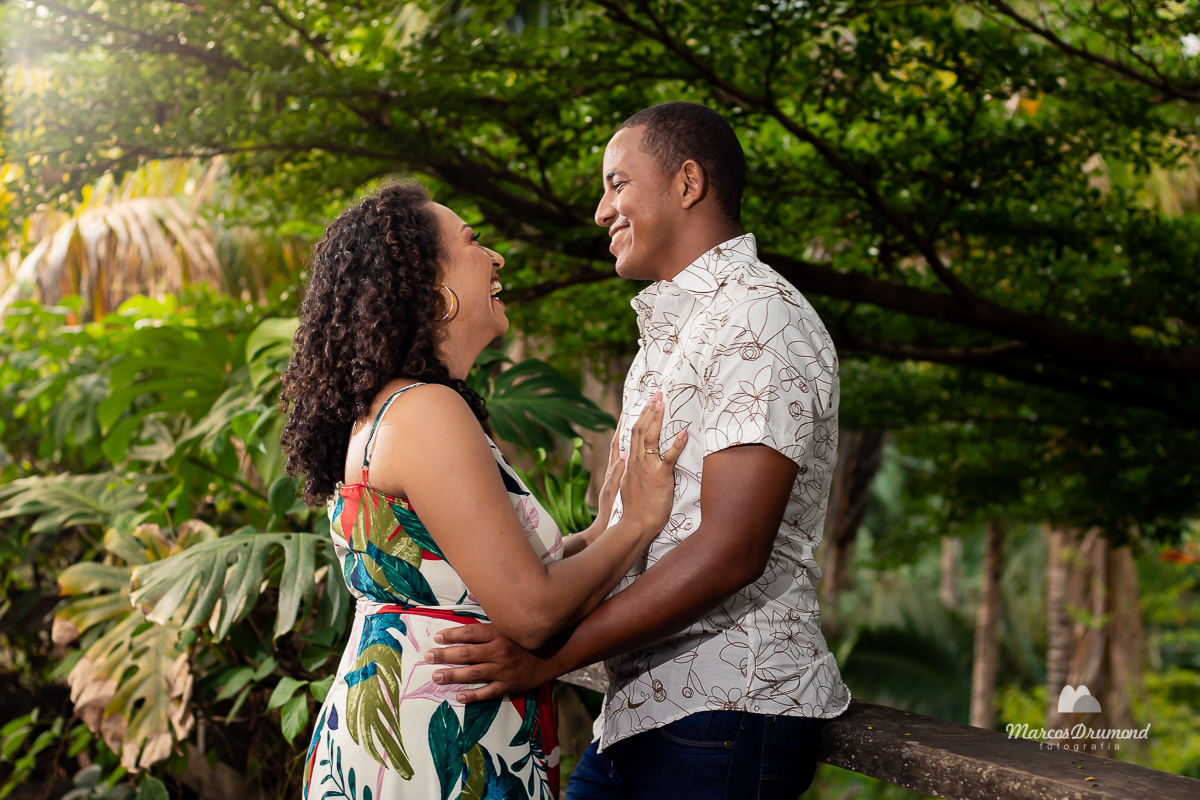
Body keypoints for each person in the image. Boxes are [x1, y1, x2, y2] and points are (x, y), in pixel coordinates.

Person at [427, 101, 852, 798]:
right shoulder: (667, 339)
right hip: (638, 711)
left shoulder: (760, 318)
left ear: (688, 183)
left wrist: (548, 659)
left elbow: (731, 551)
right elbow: (625, 534)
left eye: (618, 184)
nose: (601, 210)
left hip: (728, 708)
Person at [278, 181, 686, 800]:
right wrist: (638, 526)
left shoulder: (394, 408)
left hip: (401, 738)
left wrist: (604, 527)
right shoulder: (426, 412)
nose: (496, 258)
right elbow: (531, 612)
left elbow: (488, 575)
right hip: (437, 750)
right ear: (431, 291)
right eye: (472, 242)